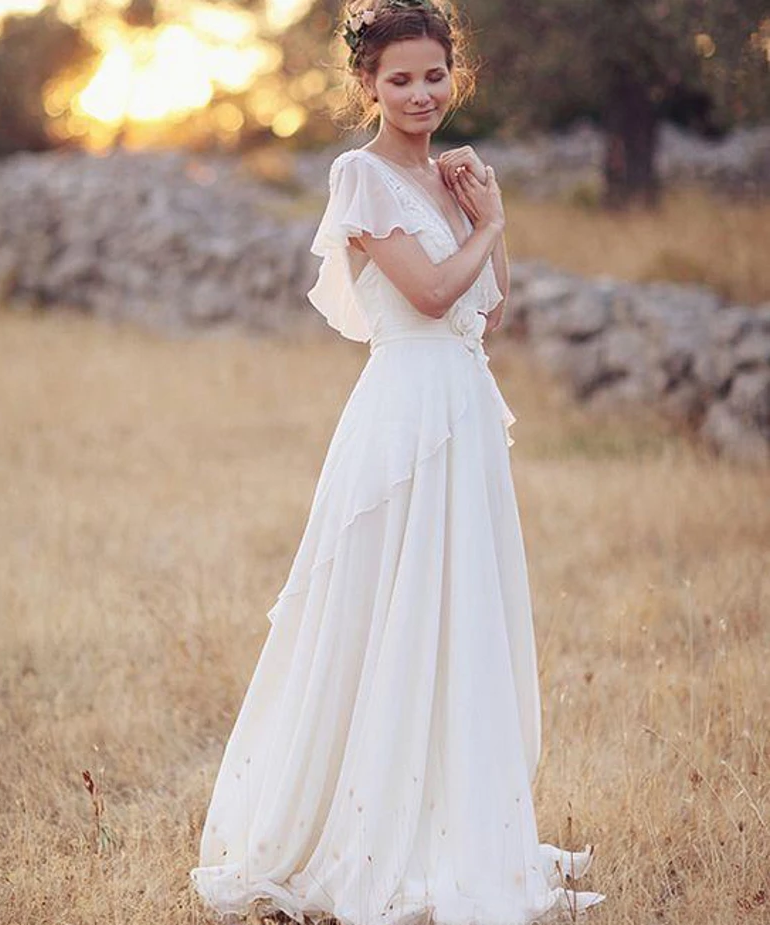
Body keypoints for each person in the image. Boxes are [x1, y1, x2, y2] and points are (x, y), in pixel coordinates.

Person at [190, 1, 606, 923]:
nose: (421, 94)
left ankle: (455, 821)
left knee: (460, 607)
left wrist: (481, 220)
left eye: (434, 75)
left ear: (457, 75)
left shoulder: (446, 177)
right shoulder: (360, 175)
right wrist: (491, 224)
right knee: (390, 608)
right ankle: (366, 833)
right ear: (367, 86)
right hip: (404, 410)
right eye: (400, 78)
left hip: (460, 403)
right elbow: (424, 295)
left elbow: (486, 313)